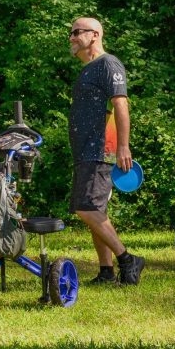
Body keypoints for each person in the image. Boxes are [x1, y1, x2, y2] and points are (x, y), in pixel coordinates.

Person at [68, 17, 145, 285]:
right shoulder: (88, 69)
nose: (72, 37)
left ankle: (127, 259)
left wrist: (123, 146)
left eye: (77, 32)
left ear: (95, 35)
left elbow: (121, 105)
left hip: (100, 149)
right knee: (95, 211)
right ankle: (106, 271)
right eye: (71, 33)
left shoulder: (108, 64)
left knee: (87, 208)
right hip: (85, 151)